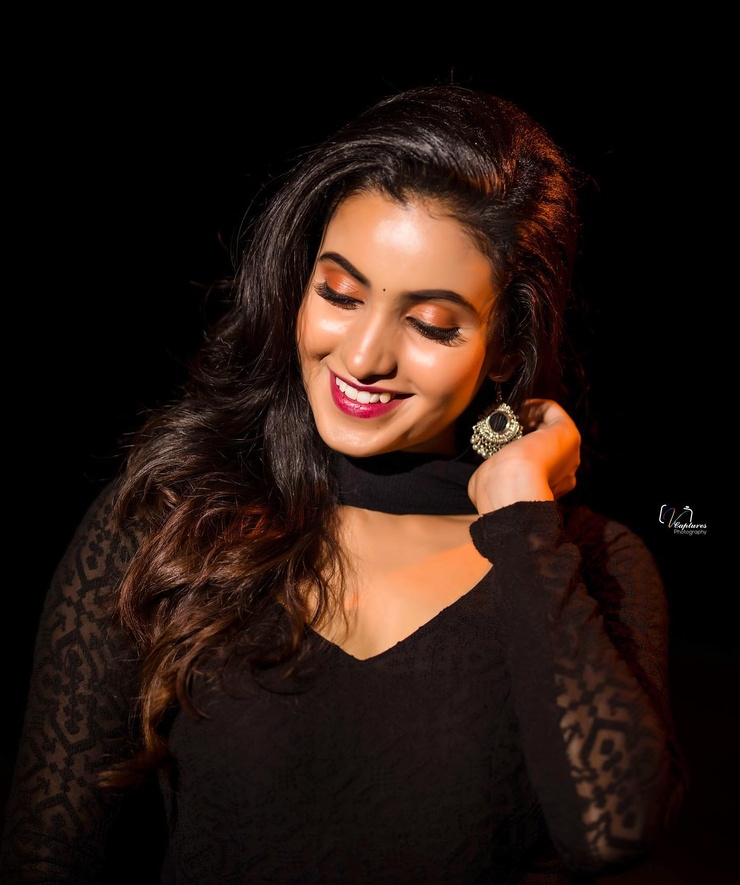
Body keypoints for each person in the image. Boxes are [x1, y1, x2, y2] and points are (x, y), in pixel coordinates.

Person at [0, 84, 686, 884]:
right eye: (339, 293)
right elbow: (45, 858)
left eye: (430, 324)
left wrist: (520, 513)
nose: (362, 357)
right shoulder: (170, 523)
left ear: (506, 348)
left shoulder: (590, 564)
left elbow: (613, 828)